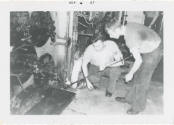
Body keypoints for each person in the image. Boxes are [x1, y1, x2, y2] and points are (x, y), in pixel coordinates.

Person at [105, 21, 162, 114]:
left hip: (154, 50)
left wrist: (130, 73)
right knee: (138, 74)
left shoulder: (129, 39)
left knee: (143, 79)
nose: (110, 36)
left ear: (116, 30)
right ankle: (129, 99)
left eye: (110, 33)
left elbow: (138, 60)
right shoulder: (128, 26)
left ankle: (138, 107)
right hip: (149, 45)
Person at [80, 32, 124, 96]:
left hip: (109, 67)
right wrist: (87, 81)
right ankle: (95, 83)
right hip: (95, 67)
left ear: (103, 42)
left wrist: (107, 65)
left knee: (116, 71)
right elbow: (84, 65)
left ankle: (110, 90)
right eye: (94, 46)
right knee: (92, 79)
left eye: (99, 45)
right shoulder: (89, 49)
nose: (96, 48)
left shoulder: (111, 45)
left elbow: (121, 62)